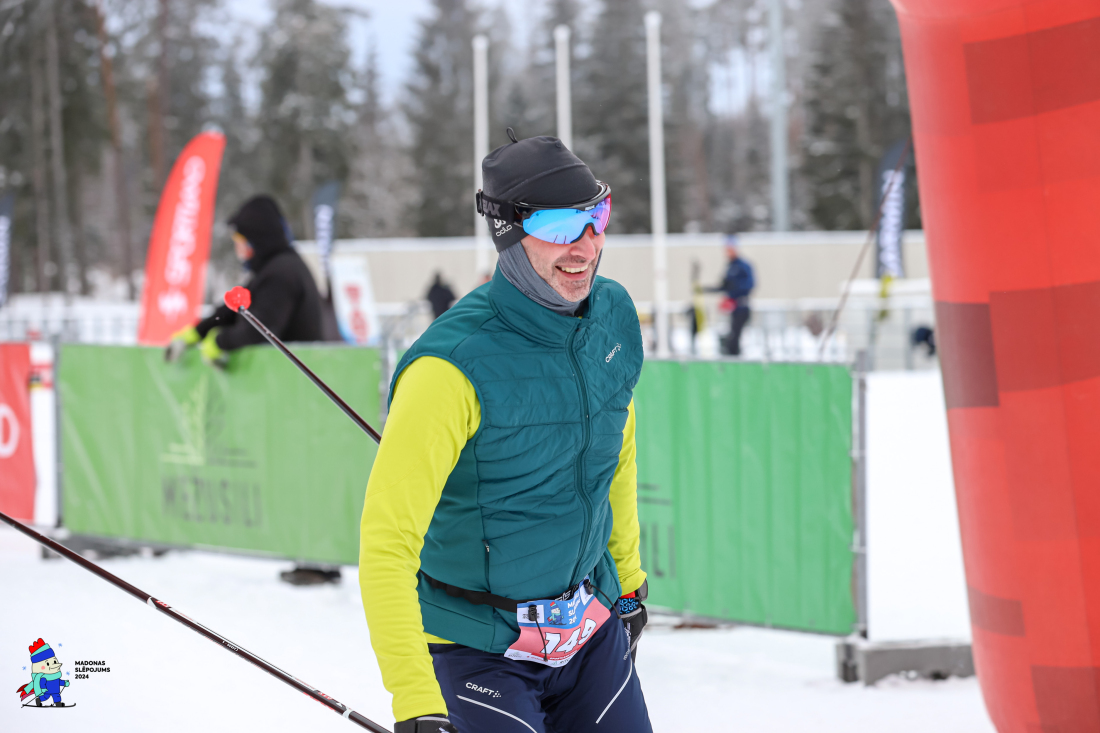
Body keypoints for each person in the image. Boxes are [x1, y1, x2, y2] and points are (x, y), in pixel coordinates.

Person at [359, 130, 651, 733]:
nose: (586, 246)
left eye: (597, 217)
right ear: (509, 232)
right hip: (477, 648)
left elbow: (614, 455)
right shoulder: (448, 368)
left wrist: (628, 584)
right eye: (560, 226)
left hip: (588, 628)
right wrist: (415, 699)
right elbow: (387, 542)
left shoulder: (613, 317)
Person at [164, 195, 322, 367]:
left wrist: (220, 342)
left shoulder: (281, 274)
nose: (237, 248)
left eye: (239, 240)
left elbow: (260, 330)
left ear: (255, 240)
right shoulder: (275, 268)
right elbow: (235, 310)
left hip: (298, 376)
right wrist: (198, 332)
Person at [709, 234, 755, 356]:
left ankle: (735, 359)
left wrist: (735, 287)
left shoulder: (743, 266)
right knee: (728, 338)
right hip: (732, 309)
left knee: (734, 339)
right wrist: (708, 289)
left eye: (730, 249)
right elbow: (724, 286)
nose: (727, 252)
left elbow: (750, 284)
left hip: (741, 308)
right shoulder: (730, 266)